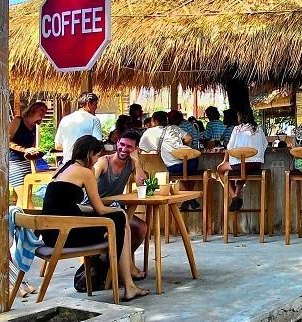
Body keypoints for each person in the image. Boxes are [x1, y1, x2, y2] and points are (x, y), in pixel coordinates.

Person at [41, 135, 149, 301]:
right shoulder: (85, 172)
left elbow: (64, 204)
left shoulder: (63, 168)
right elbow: (100, 209)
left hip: (51, 232)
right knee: (120, 220)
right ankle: (128, 284)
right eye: (96, 155)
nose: (97, 159)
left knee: (119, 221)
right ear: (90, 153)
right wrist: (118, 212)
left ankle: (128, 282)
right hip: (65, 234)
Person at [91, 130, 148, 281]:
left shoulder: (131, 163)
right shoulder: (104, 161)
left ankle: (120, 262)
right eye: (121, 144)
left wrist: (137, 161)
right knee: (125, 225)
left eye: (129, 147)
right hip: (94, 208)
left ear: (135, 149)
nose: (124, 149)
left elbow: (142, 184)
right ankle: (127, 267)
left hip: (113, 208)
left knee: (141, 228)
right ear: (117, 143)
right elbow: (90, 181)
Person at [140, 111, 200, 209]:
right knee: (188, 173)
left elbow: (142, 148)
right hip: (192, 163)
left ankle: (189, 199)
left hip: (174, 167)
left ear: (154, 121)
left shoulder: (149, 132)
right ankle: (190, 198)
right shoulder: (174, 128)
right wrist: (181, 148)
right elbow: (189, 138)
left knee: (182, 174)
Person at [216, 109, 269, 211]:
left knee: (220, 169)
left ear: (241, 117)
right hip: (255, 165)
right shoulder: (259, 129)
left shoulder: (237, 129)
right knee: (243, 171)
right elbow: (265, 145)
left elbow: (229, 147)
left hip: (239, 165)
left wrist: (225, 160)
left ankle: (234, 197)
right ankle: (237, 193)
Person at [9, 101, 48, 205]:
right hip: (14, 162)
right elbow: (6, 141)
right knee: (24, 197)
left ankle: (17, 219)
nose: (43, 114)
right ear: (33, 109)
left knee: (26, 195)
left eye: (45, 112)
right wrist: (24, 149)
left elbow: (32, 146)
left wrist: (34, 152)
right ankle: (28, 218)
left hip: (26, 162)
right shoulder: (18, 120)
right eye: (42, 110)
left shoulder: (34, 126)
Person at [55, 93, 103, 164]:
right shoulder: (94, 120)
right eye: (95, 104)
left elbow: (58, 146)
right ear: (88, 104)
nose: (96, 107)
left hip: (66, 164)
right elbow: (98, 145)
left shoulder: (65, 119)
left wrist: (70, 149)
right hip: (84, 164)